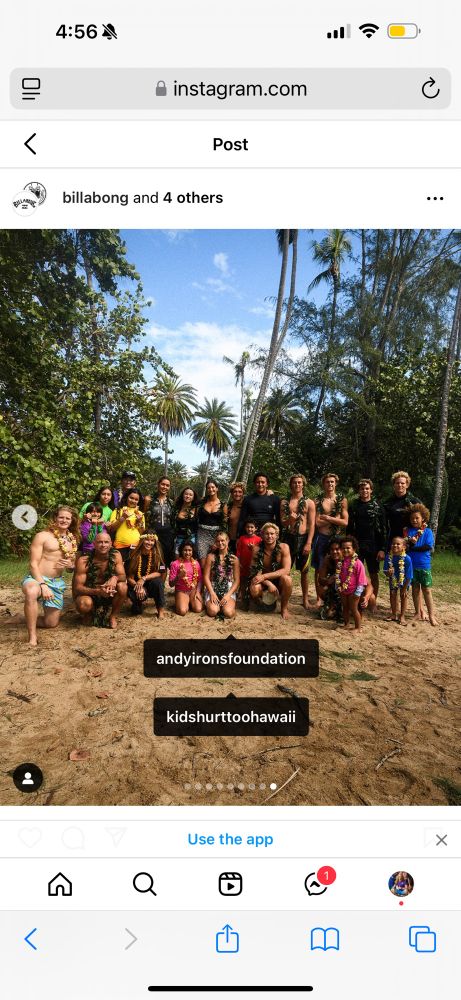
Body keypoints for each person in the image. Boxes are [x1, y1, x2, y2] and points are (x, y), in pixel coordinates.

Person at [17, 505, 79, 646]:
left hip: (56, 582)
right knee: (32, 592)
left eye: (67, 518)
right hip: (37, 578)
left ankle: (22, 618)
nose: (64, 520)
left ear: (72, 520)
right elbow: (33, 564)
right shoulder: (42, 536)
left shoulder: (72, 540)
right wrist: (43, 585)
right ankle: (32, 637)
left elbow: (70, 568)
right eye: (61, 517)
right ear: (55, 518)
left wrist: (71, 566)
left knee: (51, 623)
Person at [73, 532, 127, 629]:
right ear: (94, 544)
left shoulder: (116, 555)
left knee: (123, 587)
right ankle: (89, 614)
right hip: (90, 593)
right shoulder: (83, 560)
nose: (103, 545)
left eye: (106, 542)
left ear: (111, 544)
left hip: (109, 592)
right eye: (100, 542)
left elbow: (123, 576)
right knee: (84, 604)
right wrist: (98, 591)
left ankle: (112, 616)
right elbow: (77, 588)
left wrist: (115, 578)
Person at [312, 473, 349, 607]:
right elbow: (316, 522)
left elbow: (345, 522)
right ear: (324, 484)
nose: (330, 484)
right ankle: (319, 597)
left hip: (336, 538)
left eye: (332, 482)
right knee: (319, 568)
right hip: (321, 537)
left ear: (336, 483)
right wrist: (335, 519)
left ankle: (339, 596)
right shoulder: (318, 500)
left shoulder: (341, 500)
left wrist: (327, 518)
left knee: (340, 566)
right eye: (327, 482)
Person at [280, 473, 316, 609]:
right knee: (286, 569)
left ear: (303, 484)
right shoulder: (284, 502)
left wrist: (309, 542)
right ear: (291, 485)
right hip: (289, 537)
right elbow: (283, 522)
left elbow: (312, 524)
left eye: (300, 482)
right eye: (294, 482)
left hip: (304, 538)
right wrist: (291, 519)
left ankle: (305, 599)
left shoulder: (309, 502)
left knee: (304, 571)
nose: (297, 485)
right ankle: (285, 597)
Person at [347, 479, 386, 602]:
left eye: (367, 488)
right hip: (357, 544)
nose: (365, 491)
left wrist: (382, 549)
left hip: (373, 544)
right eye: (362, 488)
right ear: (359, 490)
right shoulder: (354, 505)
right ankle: (355, 598)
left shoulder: (378, 506)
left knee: (373, 573)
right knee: (354, 572)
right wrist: (349, 545)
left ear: (371, 490)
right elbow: (349, 527)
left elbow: (384, 528)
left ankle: (373, 599)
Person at [249, 522, 292, 619]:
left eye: (272, 534)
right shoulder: (256, 549)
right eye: (266, 534)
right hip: (263, 582)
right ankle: (261, 602)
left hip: (278, 580)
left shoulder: (284, 547)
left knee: (287, 579)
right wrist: (268, 583)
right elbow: (254, 572)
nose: (269, 536)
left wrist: (265, 576)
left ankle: (284, 608)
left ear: (277, 535)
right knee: (255, 588)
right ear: (262, 535)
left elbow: (286, 570)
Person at [405, 503, 438, 626]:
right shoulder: (407, 531)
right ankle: (417, 612)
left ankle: (431, 615)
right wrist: (410, 545)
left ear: (423, 518)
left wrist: (412, 547)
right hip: (411, 565)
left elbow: (427, 547)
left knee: (427, 590)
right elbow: (405, 547)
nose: (414, 520)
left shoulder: (427, 531)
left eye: (417, 518)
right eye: (412, 518)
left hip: (424, 565)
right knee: (415, 590)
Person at [126, 533, 166, 618]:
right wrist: (139, 587)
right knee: (136, 612)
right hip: (136, 584)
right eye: (147, 540)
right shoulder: (133, 554)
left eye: (152, 541)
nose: (149, 543)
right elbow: (129, 578)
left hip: (150, 583)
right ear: (142, 540)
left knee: (158, 582)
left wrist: (144, 578)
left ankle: (160, 610)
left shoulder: (157, 554)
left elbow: (159, 572)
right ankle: (137, 603)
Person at [203, 531, 239, 619]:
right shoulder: (211, 557)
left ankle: (227, 605)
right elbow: (206, 577)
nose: (220, 543)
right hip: (213, 587)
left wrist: (228, 595)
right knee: (213, 611)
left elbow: (237, 580)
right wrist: (212, 593)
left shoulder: (234, 559)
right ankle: (214, 605)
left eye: (223, 540)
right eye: (218, 541)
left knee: (228, 613)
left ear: (228, 541)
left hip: (228, 588)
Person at [335, 536, 367, 633]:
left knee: (354, 609)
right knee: (345, 607)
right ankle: (346, 624)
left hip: (354, 591)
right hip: (343, 590)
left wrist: (358, 592)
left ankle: (358, 627)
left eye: (348, 548)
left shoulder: (358, 563)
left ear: (354, 549)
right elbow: (338, 576)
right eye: (343, 548)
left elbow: (362, 580)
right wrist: (338, 586)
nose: (345, 550)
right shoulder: (340, 562)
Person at [383, 470, 421, 545]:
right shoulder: (387, 503)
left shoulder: (415, 502)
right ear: (393, 485)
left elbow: (424, 521)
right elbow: (384, 525)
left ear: (407, 485)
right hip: (394, 540)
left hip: (411, 539)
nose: (400, 485)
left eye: (402, 483)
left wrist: (417, 536)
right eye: (397, 483)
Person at [108, 488, 145, 564]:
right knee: (119, 570)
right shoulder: (118, 511)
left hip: (136, 546)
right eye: (131, 498)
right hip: (119, 546)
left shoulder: (140, 514)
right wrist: (123, 517)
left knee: (132, 571)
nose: (133, 501)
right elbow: (112, 529)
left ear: (138, 501)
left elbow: (142, 533)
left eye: (136, 499)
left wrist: (140, 521)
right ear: (126, 497)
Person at [196, 479, 228, 565]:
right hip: (202, 534)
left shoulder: (223, 504)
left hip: (216, 535)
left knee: (214, 562)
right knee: (202, 563)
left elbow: (224, 523)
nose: (211, 489)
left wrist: (218, 540)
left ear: (217, 488)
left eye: (213, 487)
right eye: (208, 488)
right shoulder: (202, 502)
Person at [383, 536, 413, 626]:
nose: (395, 545)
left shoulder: (407, 558)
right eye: (393, 543)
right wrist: (388, 573)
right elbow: (385, 571)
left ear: (404, 547)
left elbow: (409, 575)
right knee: (392, 594)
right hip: (393, 579)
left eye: (398, 544)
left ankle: (402, 616)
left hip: (405, 580)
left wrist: (404, 588)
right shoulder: (388, 557)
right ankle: (393, 614)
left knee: (403, 596)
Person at [169, 541, 203, 615]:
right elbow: (171, 584)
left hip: (193, 590)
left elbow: (200, 580)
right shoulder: (175, 564)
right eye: (185, 550)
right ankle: (183, 601)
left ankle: (189, 602)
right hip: (181, 591)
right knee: (182, 611)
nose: (187, 553)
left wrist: (198, 592)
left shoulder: (196, 563)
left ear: (193, 551)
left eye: (189, 550)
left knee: (198, 609)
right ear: (181, 551)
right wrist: (179, 576)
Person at [147, 477, 175, 567]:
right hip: (153, 534)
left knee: (164, 562)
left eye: (167, 485)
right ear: (158, 485)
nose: (165, 487)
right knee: (152, 559)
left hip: (167, 535)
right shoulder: (150, 500)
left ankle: (162, 581)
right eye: (163, 484)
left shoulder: (171, 502)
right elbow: (145, 516)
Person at [236, 518, 262, 608]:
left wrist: (254, 548)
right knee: (243, 582)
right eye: (247, 527)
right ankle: (243, 600)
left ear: (256, 528)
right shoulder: (242, 538)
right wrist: (238, 562)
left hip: (253, 566)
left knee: (252, 581)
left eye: (252, 527)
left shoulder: (259, 540)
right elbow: (238, 551)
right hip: (243, 564)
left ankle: (253, 600)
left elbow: (260, 553)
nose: (249, 529)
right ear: (245, 528)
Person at [317, 537, 343, 621]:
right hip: (334, 588)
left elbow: (367, 583)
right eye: (332, 549)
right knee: (321, 588)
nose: (334, 552)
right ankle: (332, 606)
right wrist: (328, 580)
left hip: (350, 590)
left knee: (370, 597)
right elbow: (320, 579)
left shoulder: (351, 560)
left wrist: (367, 597)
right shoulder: (327, 559)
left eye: (337, 549)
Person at [173, 487, 199, 556]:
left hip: (192, 539)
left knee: (191, 561)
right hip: (179, 538)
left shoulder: (197, 509)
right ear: (182, 495)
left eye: (190, 495)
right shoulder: (176, 509)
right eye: (186, 494)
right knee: (178, 560)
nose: (188, 496)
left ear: (193, 497)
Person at [227, 482, 245, 553]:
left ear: (243, 493)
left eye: (240, 492)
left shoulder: (247, 506)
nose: (237, 494)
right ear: (231, 493)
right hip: (231, 540)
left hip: (244, 540)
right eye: (235, 492)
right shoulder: (228, 507)